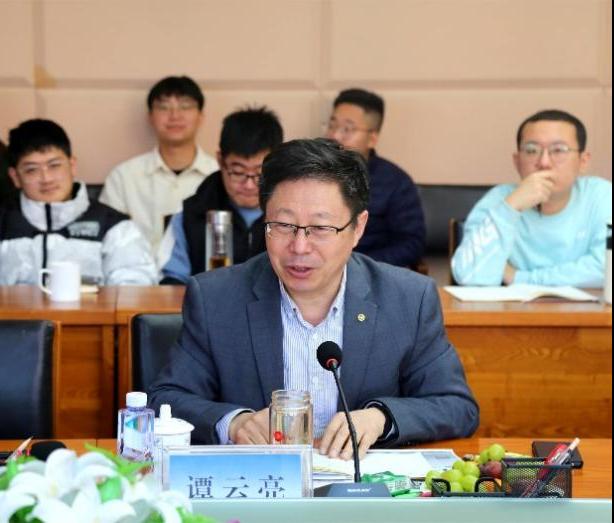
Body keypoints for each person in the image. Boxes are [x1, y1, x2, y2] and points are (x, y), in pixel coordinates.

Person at [149, 138, 478, 459]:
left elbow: (456, 406)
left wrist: (380, 418)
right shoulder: (216, 298)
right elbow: (166, 398)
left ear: (358, 227)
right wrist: (234, 422)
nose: (299, 247)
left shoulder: (408, 298)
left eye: (320, 228)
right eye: (283, 225)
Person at [452, 109, 612, 287]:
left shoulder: (602, 196)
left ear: (583, 161)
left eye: (558, 150)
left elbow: (607, 270)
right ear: (517, 161)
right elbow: (469, 276)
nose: (544, 162)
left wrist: (520, 278)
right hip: (513, 306)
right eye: (531, 150)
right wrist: (510, 208)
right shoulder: (499, 200)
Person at [0, 119, 157, 286]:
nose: (46, 179)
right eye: (32, 170)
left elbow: (135, 289)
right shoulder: (3, 222)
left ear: (72, 165)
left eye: (54, 165)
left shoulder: (114, 226)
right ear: (15, 177)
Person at [158, 106, 283, 284]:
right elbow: (170, 283)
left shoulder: (292, 217)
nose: (249, 185)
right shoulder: (190, 215)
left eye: (259, 173)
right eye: (238, 172)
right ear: (220, 160)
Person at [99, 76, 218, 252]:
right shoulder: (123, 177)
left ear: (200, 116)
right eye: (164, 107)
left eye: (185, 106)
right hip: (138, 269)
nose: (175, 116)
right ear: (150, 117)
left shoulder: (218, 175)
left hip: (202, 270)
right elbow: (107, 238)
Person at [325, 88, 425, 268]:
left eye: (347, 129)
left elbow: (411, 244)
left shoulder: (396, 183)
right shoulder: (312, 175)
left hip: (368, 272)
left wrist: (357, 266)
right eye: (332, 126)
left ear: (372, 138)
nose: (335, 136)